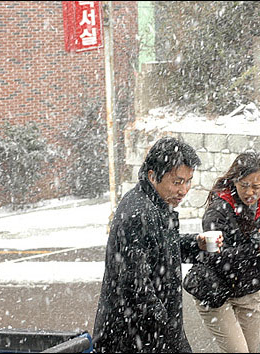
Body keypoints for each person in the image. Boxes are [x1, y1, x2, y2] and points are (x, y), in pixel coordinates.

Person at [92, 136, 222, 353]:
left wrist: (195, 244)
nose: (184, 190)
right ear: (153, 176)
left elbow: (161, 249)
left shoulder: (155, 203)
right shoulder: (138, 213)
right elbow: (136, 285)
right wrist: (167, 328)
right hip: (135, 336)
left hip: (155, 331)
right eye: (177, 182)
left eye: (188, 181)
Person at [183, 151, 260, 353]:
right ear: (234, 181)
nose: (250, 192)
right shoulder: (219, 208)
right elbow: (216, 256)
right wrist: (258, 249)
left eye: (256, 186)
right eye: (244, 185)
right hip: (215, 290)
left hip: (249, 290)